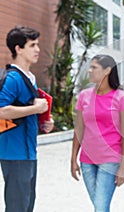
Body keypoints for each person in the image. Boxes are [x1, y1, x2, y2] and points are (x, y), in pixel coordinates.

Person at [0, 26, 54, 212]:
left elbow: (26, 112)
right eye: (32, 45)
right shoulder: (13, 78)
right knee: (17, 207)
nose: (37, 49)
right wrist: (35, 108)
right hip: (14, 154)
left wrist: (44, 121)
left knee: (27, 205)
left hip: (28, 153)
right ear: (18, 49)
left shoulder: (29, 78)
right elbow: (1, 110)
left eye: (37, 44)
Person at [71, 54, 124, 212]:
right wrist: (73, 159)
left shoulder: (121, 98)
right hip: (86, 160)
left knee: (100, 206)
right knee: (99, 206)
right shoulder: (84, 96)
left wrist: (123, 167)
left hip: (110, 160)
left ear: (107, 71)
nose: (89, 71)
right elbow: (79, 129)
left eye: (94, 67)